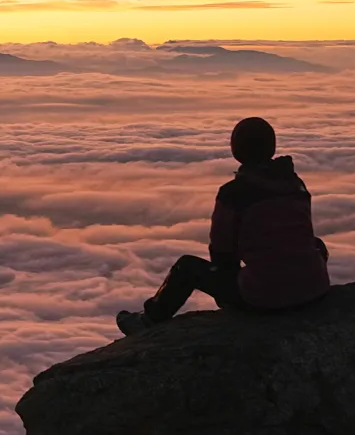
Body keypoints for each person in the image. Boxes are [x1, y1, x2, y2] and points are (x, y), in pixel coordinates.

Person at [116, 117, 329, 335]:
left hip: (265, 299)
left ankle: (149, 320)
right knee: (315, 244)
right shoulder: (295, 183)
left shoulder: (234, 194)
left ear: (236, 149)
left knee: (186, 267)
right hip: (315, 291)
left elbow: (222, 252)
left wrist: (231, 286)